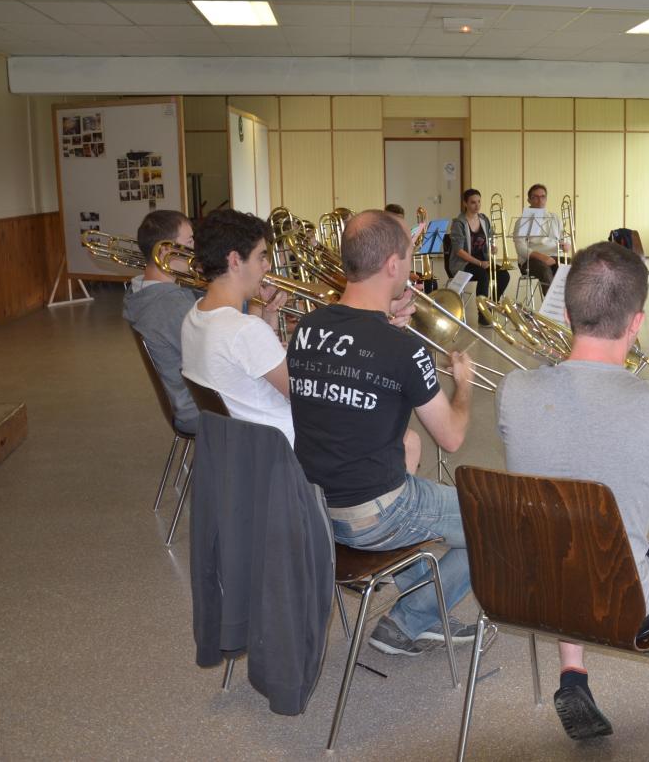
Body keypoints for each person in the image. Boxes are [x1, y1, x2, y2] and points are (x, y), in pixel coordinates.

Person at [496, 241, 649, 743]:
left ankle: (573, 674)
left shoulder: (514, 391)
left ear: (566, 313)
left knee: (566, 532)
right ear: (636, 322)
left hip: (528, 590)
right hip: (620, 602)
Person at [287, 209, 479, 657]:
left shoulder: (308, 328)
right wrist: (464, 385)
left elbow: (353, 373)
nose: (410, 267)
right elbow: (451, 436)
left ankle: (422, 607)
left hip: (315, 507)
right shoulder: (402, 348)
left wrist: (384, 325)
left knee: (410, 466)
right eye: (409, 257)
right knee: (496, 521)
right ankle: (409, 620)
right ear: (393, 264)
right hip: (374, 514)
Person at [180, 210, 293, 442]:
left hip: (240, 445)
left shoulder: (194, 316)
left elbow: (251, 364)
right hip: (282, 446)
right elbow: (301, 393)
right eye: (261, 257)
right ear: (234, 261)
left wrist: (269, 312)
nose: (267, 266)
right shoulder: (245, 330)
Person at [123, 210, 200, 435]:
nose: (195, 249)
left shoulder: (141, 292)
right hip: (199, 408)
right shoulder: (170, 305)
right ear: (165, 250)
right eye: (190, 241)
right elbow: (222, 356)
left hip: (184, 402)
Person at [448, 188, 510, 325]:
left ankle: (489, 306)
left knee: (504, 275)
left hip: (483, 260)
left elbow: (490, 237)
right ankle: (482, 315)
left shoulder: (484, 219)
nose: (477, 205)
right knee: (483, 275)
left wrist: (492, 247)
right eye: (473, 202)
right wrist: (479, 263)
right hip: (463, 263)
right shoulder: (459, 223)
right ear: (465, 203)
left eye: (479, 202)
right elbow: (458, 251)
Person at [513, 183, 568, 294]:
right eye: (535, 197)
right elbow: (520, 248)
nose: (540, 200)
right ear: (529, 200)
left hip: (554, 256)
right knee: (544, 270)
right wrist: (542, 257)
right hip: (530, 260)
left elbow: (564, 237)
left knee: (575, 267)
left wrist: (567, 244)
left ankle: (569, 303)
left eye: (543, 196)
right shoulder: (523, 221)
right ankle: (550, 304)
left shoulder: (555, 218)